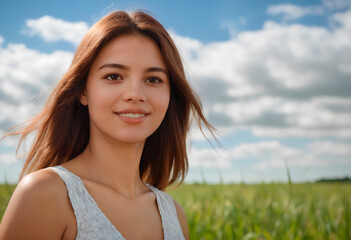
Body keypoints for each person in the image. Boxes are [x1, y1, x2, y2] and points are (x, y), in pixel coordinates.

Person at [0, 10, 214, 240]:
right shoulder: (44, 194)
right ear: (83, 90)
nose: (135, 94)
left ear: (170, 95)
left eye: (153, 80)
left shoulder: (174, 214)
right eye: (114, 76)